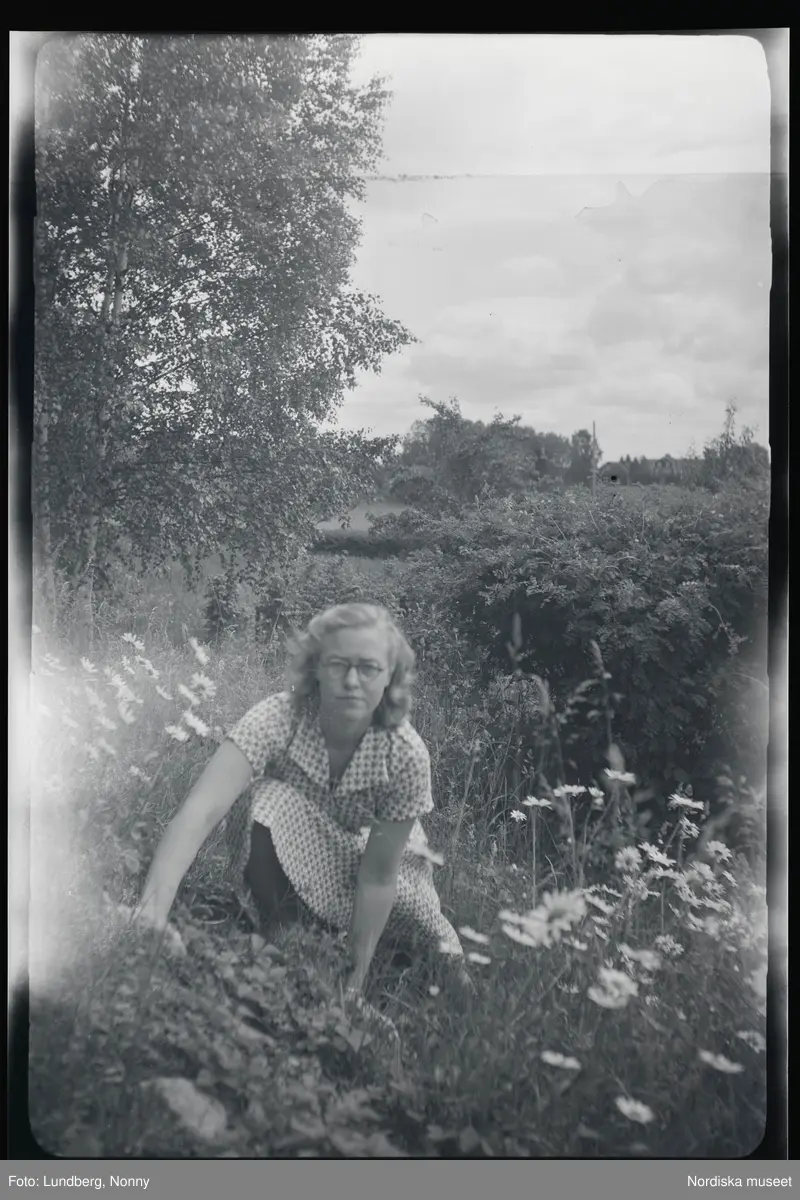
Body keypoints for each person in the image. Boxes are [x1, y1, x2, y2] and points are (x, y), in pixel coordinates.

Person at [136, 603, 470, 998]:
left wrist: (352, 987)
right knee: (262, 800)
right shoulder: (277, 717)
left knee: (434, 960)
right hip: (299, 853)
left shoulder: (406, 752)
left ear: (389, 677)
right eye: (338, 665)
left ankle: (375, 960)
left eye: (368, 668)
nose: (351, 681)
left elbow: (378, 877)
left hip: (383, 873)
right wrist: (151, 914)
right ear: (316, 669)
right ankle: (286, 930)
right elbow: (201, 810)